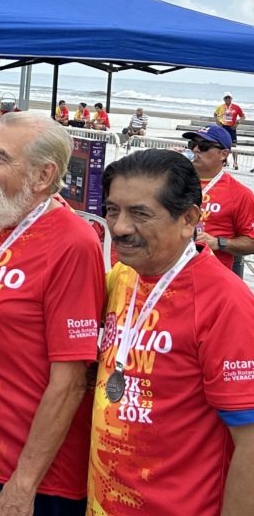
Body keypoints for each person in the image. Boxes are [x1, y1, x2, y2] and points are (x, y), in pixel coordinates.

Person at [0, 112, 105, 515]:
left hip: (31, 478)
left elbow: (69, 382)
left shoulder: (73, 242)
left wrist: (24, 483)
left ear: (43, 175)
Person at [90, 149, 254, 515]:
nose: (119, 227)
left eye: (140, 214)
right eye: (113, 210)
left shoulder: (226, 302)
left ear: (188, 219)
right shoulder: (125, 275)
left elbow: (251, 443)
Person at [182, 124, 254, 277]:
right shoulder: (174, 182)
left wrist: (218, 242)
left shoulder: (240, 194)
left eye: (204, 146)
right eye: (192, 144)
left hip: (211, 278)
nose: (195, 150)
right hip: (168, 273)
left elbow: (251, 242)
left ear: (223, 154)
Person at [215, 94, 245, 169]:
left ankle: (235, 163)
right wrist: (218, 122)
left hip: (232, 128)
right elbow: (215, 114)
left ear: (231, 98)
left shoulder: (236, 107)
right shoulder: (220, 107)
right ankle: (225, 161)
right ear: (224, 99)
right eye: (226, 98)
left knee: (234, 145)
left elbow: (243, 116)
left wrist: (237, 123)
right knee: (224, 145)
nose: (227, 99)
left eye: (229, 97)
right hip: (223, 128)